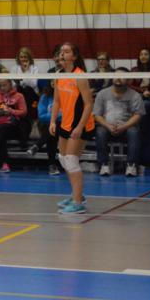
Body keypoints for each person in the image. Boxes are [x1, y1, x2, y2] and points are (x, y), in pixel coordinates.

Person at [50, 42, 95, 215]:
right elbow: (56, 101)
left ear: (74, 56)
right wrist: (53, 121)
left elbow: (89, 104)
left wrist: (80, 127)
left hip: (81, 124)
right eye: (61, 51)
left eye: (66, 51)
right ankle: (77, 195)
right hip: (66, 123)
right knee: (63, 159)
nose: (62, 54)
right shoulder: (58, 74)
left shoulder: (80, 76)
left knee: (71, 160)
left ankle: (78, 203)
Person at [93, 68, 145, 177]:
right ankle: (104, 164)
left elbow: (138, 115)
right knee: (100, 131)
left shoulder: (134, 95)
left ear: (128, 80)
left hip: (127, 128)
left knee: (134, 131)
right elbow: (97, 115)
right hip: (107, 127)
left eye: (122, 77)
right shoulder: (102, 94)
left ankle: (131, 165)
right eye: (116, 76)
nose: (118, 79)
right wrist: (108, 126)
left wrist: (124, 126)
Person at [0, 78, 27, 173]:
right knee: (0, 134)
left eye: (4, 85)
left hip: (12, 126)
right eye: (0, 86)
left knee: (2, 130)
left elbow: (24, 112)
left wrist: (11, 111)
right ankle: (4, 164)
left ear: (10, 83)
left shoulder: (19, 96)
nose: (2, 87)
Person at [37, 83, 60, 176]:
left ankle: (38, 145)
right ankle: (52, 165)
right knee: (51, 131)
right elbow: (41, 116)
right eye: (52, 81)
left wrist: (54, 118)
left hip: (64, 124)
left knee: (53, 129)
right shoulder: (45, 96)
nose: (54, 83)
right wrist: (53, 119)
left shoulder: (66, 94)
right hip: (48, 124)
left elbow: (65, 115)